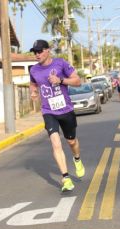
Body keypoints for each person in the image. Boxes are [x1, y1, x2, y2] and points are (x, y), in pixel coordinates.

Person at [29, 39, 85, 192]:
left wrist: (60, 80)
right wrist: (33, 92)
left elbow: (78, 81)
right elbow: (33, 83)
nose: (37, 54)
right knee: (55, 143)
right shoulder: (33, 70)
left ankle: (77, 159)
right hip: (48, 111)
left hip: (66, 110)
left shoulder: (61, 63)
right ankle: (66, 178)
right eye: (35, 52)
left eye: (40, 51)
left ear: (48, 51)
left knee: (71, 142)